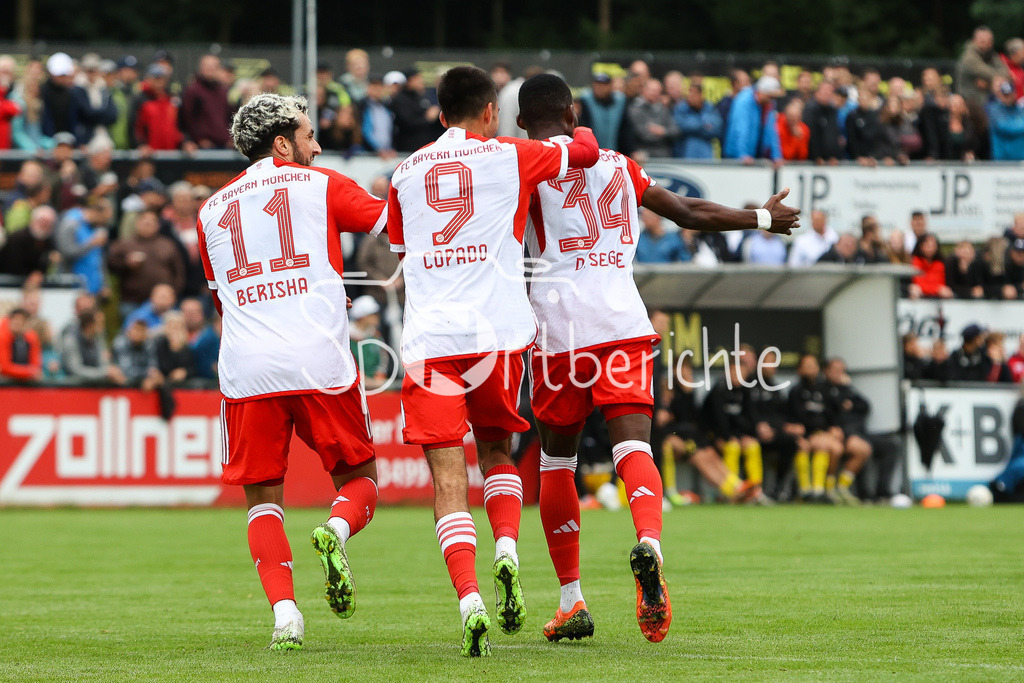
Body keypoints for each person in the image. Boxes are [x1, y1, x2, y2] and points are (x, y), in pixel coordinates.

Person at [516, 72, 798, 643]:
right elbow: (689, 212)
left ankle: (571, 600)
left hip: (557, 331)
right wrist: (762, 218)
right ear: (573, 114)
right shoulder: (619, 164)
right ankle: (649, 543)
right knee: (634, 448)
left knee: (556, 462)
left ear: (522, 122)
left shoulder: (521, 164)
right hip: (621, 324)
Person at [386, 66, 600, 657]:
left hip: (431, 341)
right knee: (497, 451)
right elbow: (583, 152)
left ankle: (469, 600)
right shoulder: (511, 155)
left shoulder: (404, 172)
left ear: (439, 114)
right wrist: (573, 127)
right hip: (498, 335)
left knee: (447, 478)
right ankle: (507, 548)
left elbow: (400, 248)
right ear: (489, 112)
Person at [197, 93, 389, 650]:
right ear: (282, 143)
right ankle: (334, 530)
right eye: (309, 135)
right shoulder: (321, 184)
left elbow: (222, 300)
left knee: (262, 501)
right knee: (360, 480)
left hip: (247, 369)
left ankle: (286, 618)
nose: (318, 146)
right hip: (317, 359)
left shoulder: (210, 210)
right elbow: (391, 222)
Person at [786, 354, 843, 502]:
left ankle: (822, 489)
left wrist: (833, 428)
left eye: (813, 365)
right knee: (819, 446)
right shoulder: (795, 391)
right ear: (799, 369)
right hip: (805, 435)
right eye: (807, 366)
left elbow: (832, 414)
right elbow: (794, 419)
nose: (811, 369)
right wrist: (801, 436)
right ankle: (807, 490)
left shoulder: (825, 390)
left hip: (823, 434)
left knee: (833, 448)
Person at [108, 209, 185, 318]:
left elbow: (179, 271)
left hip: (163, 303)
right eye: (145, 223)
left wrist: (173, 292)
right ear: (137, 223)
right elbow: (110, 264)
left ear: (158, 226)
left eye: (151, 223)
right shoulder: (124, 244)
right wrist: (126, 263)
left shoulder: (167, 244)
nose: (147, 226)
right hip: (132, 300)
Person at [822, 358, 872, 504]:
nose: (839, 374)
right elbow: (831, 409)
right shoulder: (822, 388)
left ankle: (842, 487)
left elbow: (865, 406)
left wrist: (848, 388)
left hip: (848, 432)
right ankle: (828, 489)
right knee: (835, 449)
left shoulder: (847, 389)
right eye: (835, 370)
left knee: (863, 449)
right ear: (826, 371)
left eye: (841, 370)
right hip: (827, 431)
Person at [723, 76, 782, 162]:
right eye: (770, 97)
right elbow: (740, 129)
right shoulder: (744, 100)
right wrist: (742, 154)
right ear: (762, 92)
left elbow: (771, 131)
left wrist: (777, 156)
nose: (771, 100)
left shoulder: (768, 105)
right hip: (736, 156)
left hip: (754, 155)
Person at [180, 55, 232, 149]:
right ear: (200, 69)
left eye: (214, 67)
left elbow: (229, 117)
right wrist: (199, 139)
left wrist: (231, 138)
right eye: (207, 67)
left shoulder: (224, 91)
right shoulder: (193, 91)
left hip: (224, 144)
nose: (211, 70)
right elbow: (188, 119)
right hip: (203, 146)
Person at [390, 69, 444, 153]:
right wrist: (427, 119)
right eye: (417, 78)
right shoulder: (400, 99)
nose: (421, 81)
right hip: (408, 148)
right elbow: (407, 123)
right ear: (409, 81)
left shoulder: (422, 97)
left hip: (425, 147)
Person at [578, 72, 631, 153]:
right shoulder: (586, 101)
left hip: (614, 151)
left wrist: (630, 150)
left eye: (604, 85)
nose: (600, 88)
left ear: (610, 86)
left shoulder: (620, 102)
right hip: (592, 152)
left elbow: (625, 129)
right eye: (597, 85)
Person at [628, 78, 678, 158]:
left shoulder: (663, 109)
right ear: (643, 90)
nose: (654, 93)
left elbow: (675, 131)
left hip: (663, 154)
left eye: (657, 91)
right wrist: (662, 135)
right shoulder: (635, 109)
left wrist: (663, 131)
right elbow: (641, 133)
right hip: (642, 152)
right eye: (652, 90)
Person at [673, 82, 722, 159]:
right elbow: (681, 127)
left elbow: (717, 130)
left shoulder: (710, 108)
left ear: (701, 95)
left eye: (694, 94)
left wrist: (693, 126)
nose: (691, 96)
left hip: (706, 155)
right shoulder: (681, 109)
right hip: (686, 155)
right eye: (690, 93)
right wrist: (704, 126)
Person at [0, 308, 42, 383]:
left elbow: (36, 366)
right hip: (5, 382)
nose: (17, 323)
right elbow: (4, 367)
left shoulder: (31, 338)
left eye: (22, 320)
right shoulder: (3, 337)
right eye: (15, 319)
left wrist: (30, 372)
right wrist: (28, 372)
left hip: (25, 383)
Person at [987, 80, 1024, 161]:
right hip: (1002, 158)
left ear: (1014, 94)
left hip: (1020, 157)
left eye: (1010, 94)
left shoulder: (1020, 110)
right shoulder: (994, 110)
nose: (1008, 98)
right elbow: (1004, 127)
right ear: (1000, 95)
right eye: (1005, 95)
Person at [909, 233, 953, 300]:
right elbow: (918, 283)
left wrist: (937, 289)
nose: (930, 248)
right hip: (921, 296)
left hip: (937, 298)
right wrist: (936, 289)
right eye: (927, 245)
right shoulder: (915, 261)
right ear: (920, 246)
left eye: (933, 245)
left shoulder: (940, 263)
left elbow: (940, 283)